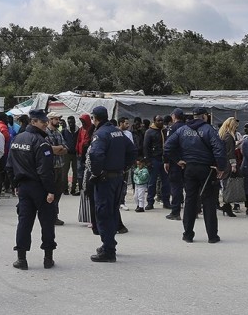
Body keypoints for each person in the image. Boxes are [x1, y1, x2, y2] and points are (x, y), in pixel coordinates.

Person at [164, 107, 226, 244]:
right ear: (204, 116)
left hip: (189, 168)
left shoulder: (182, 130)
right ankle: (212, 236)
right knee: (208, 201)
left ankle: (187, 234)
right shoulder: (209, 130)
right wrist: (221, 167)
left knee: (190, 201)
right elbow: (219, 148)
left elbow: (167, 146)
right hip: (207, 169)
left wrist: (177, 159)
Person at [6, 109, 57, 270]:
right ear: (33, 122)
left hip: (24, 187)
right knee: (47, 223)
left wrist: (15, 185)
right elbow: (45, 170)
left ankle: (21, 259)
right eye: (43, 122)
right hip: (40, 187)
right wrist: (50, 191)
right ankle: (48, 258)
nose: (45, 125)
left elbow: (9, 166)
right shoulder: (41, 142)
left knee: (24, 222)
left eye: (46, 122)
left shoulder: (17, 139)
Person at [87, 106, 137, 262]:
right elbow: (133, 151)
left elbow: (95, 154)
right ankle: (109, 243)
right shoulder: (118, 132)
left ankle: (108, 251)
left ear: (95, 118)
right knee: (113, 211)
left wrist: (96, 172)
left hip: (105, 179)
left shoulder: (100, 134)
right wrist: (124, 167)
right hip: (117, 178)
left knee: (103, 213)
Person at [143, 115, 170, 210]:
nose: (160, 122)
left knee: (166, 182)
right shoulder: (149, 132)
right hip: (154, 159)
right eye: (158, 121)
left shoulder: (166, 131)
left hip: (164, 160)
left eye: (161, 120)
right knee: (152, 182)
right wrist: (148, 161)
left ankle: (166, 201)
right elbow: (146, 147)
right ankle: (150, 202)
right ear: (154, 121)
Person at [46, 112, 68, 225]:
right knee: (50, 192)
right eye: (56, 119)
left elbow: (65, 148)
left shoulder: (58, 133)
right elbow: (48, 150)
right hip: (50, 167)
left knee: (58, 192)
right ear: (50, 119)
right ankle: (49, 215)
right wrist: (59, 148)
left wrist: (58, 149)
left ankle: (54, 215)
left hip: (60, 166)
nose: (58, 121)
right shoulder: (46, 133)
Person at [165, 108, 186, 220]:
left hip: (176, 162)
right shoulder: (188, 128)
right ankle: (194, 211)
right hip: (188, 161)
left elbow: (168, 146)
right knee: (190, 187)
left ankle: (175, 211)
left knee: (176, 187)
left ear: (174, 116)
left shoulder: (173, 128)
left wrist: (167, 161)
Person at [218, 117, 239, 217]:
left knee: (225, 185)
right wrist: (233, 164)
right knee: (228, 185)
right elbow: (230, 152)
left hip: (222, 162)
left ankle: (226, 206)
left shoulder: (222, 135)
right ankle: (227, 205)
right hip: (227, 164)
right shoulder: (229, 136)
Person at [61, 115, 79, 196]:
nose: (70, 123)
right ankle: (65, 189)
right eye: (69, 122)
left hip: (76, 154)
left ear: (75, 121)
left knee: (76, 172)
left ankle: (73, 189)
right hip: (67, 154)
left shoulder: (79, 130)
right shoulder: (64, 131)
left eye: (72, 122)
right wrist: (65, 147)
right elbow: (62, 141)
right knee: (65, 172)